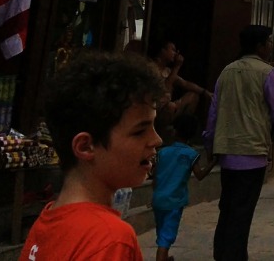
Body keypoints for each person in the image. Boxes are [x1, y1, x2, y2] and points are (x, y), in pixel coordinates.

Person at [19, 51, 165, 261]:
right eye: (139, 131)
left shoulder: (48, 221)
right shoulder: (111, 239)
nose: (156, 140)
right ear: (86, 146)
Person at [206, 25, 274, 261]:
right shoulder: (266, 73)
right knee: (242, 212)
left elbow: (214, 111)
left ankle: (222, 253)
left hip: (227, 151)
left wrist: (210, 141)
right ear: (259, 46)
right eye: (268, 42)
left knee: (228, 208)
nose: (271, 46)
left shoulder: (227, 71)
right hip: (252, 152)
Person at [151, 114, 212, 261]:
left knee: (162, 232)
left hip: (158, 199)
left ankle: (164, 257)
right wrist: (214, 161)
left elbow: (155, 176)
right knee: (166, 237)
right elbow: (200, 175)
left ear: (175, 131)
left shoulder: (162, 152)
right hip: (175, 201)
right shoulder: (190, 154)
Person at [150, 40, 211, 135]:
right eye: (173, 50)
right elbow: (165, 90)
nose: (175, 54)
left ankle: (183, 131)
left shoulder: (167, 71)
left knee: (193, 96)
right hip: (154, 109)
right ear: (163, 51)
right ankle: (161, 132)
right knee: (170, 106)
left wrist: (205, 92)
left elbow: (185, 84)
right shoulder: (151, 68)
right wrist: (177, 67)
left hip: (167, 107)